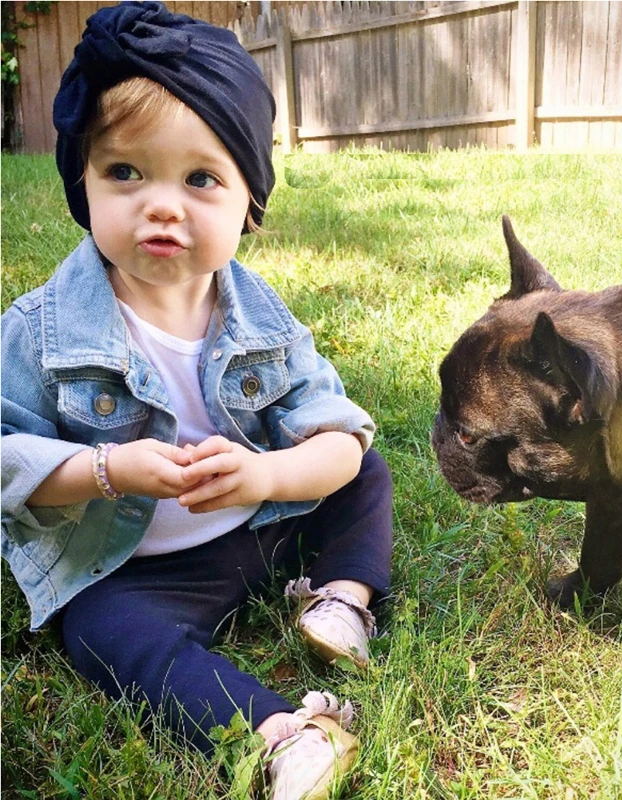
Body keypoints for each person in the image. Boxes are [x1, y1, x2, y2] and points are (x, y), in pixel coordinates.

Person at [0, 3, 393, 798]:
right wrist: (103, 469)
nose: (162, 204)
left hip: (256, 526)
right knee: (102, 634)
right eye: (125, 172)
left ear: (250, 204)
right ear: (82, 180)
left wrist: (268, 479)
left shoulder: (262, 318)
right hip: (133, 568)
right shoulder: (38, 331)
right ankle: (281, 733)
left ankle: (343, 599)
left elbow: (335, 434)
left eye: (201, 178)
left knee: (365, 470)